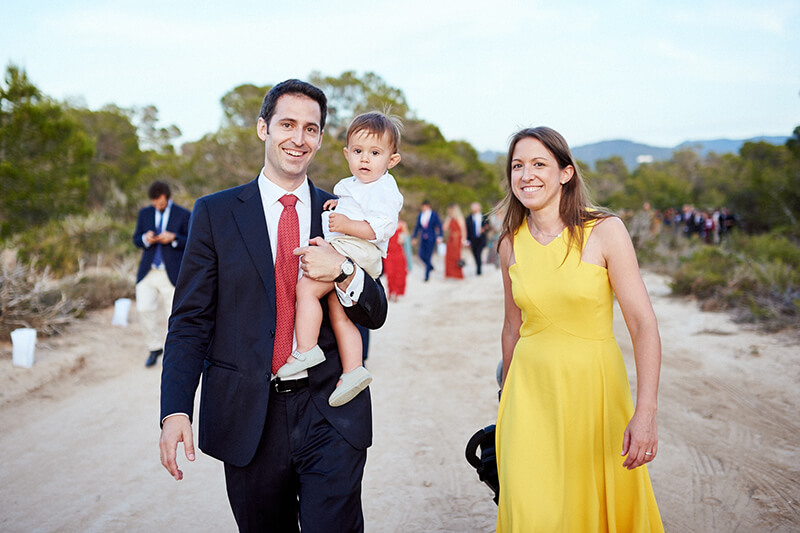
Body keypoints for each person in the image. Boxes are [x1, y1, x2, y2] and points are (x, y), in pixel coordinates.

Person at [158, 79, 389, 532]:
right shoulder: (215, 213)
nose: (298, 139)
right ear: (263, 128)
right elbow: (189, 322)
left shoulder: (344, 212)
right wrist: (175, 409)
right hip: (249, 419)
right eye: (287, 124)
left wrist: (342, 268)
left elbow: (375, 312)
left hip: (332, 413)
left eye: (311, 129)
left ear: (321, 138)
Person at [495, 127, 663, 531]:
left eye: (539, 164)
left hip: (595, 395)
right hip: (528, 397)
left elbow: (642, 325)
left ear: (566, 173)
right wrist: (505, 401)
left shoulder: (605, 230)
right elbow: (512, 328)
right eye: (518, 165)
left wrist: (646, 413)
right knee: (533, 510)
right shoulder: (509, 244)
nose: (526, 175)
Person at [276, 111, 404, 407]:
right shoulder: (351, 185)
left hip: (360, 249)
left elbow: (382, 227)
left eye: (374, 153)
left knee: (307, 288)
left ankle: (306, 348)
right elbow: (353, 205)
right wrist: (338, 204)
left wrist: (346, 224)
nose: (364, 159)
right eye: (358, 151)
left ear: (392, 160)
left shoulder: (384, 187)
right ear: (347, 154)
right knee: (338, 310)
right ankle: (353, 369)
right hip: (350, 245)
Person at [132, 180, 190, 367]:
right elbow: (136, 239)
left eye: (162, 203)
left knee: (172, 315)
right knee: (143, 309)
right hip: (148, 271)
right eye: (155, 203)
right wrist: (145, 238)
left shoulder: (183, 214)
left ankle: (175, 352)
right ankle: (154, 347)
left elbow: (191, 240)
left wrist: (173, 238)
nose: (158, 206)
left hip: (171, 272)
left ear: (168, 198)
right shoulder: (145, 213)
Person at [412, 200, 442, 281]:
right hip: (423, 237)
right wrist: (414, 237)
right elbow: (417, 227)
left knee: (428, 256)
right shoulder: (420, 215)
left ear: (428, 206)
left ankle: (427, 275)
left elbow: (439, 225)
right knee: (421, 255)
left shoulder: (434, 215)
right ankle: (430, 266)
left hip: (431, 237)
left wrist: (440, 236)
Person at [382, 219, 409, 301]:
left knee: (399, 273)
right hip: (389, 253)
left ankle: (396, 293)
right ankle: (390, 291)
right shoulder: (385, 224)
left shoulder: (402, 224)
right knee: (390, 273)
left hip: (398, 252)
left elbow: (406, 237)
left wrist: (403, 239)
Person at [465, 201, 490, 275]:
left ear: (479, 208)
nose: (474, 209)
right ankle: (478, 265)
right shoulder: (468, 218)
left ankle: (479, 269)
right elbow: (467, 230)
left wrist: (484, 229)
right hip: (473, 239)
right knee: (475, 254)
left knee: (478, 253)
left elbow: (488, 227)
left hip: (481, 239)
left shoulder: (484, 216)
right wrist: (467, 240)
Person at [443, 203, 466, 279]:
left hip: (457, 239)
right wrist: (448, 218)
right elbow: (444, 228)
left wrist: (463, 240)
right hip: (451, 239)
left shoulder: (459, 218)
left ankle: (457, 274)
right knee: (448, 257)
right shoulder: (450, 218)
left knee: (456, 256)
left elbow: (463, 230)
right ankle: (449, 274)